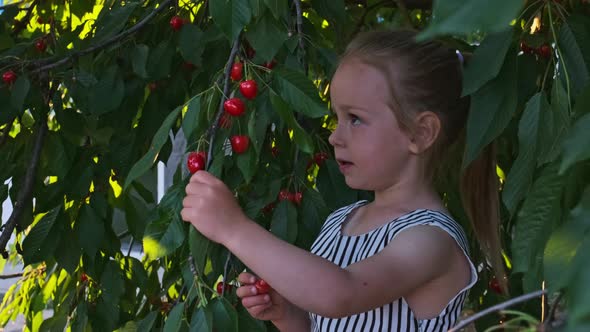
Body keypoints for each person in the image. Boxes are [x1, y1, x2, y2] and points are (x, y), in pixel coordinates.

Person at [181, 29, 506, 331]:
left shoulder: (432, 240)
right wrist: (290, 317)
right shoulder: (342, 221)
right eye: (337, 118)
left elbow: (341, 294)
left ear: (420, 134)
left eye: (356, 119)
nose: (335, 137)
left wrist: (233, 228)